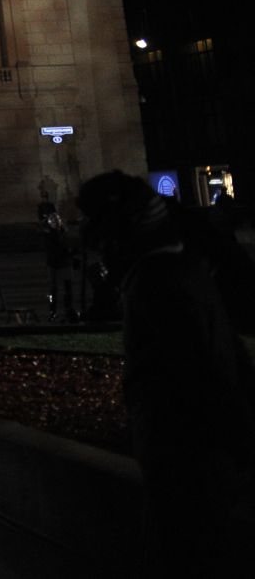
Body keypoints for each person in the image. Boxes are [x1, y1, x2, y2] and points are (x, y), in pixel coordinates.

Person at [77, 172, 255, 551]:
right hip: (194, 460)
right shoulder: (176, 269)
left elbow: (202, 374)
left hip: (188, 463)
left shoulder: (157, 285)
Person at [42, 212, 78, 322]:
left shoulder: (64, 233)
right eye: (53, 221)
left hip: (64, 263)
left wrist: (71, 252)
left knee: (68, 289)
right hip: (54, 264)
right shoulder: (49, 235)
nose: (56, 222)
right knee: (53, 290)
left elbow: (70, 245)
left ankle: (68, 310)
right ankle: (52, 312)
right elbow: (53, 249)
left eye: (57, 220)